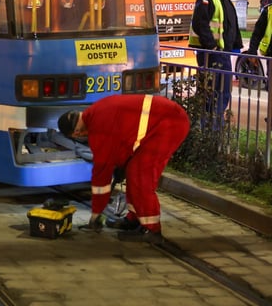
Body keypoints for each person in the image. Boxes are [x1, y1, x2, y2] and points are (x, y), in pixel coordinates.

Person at [57, 94, 190, 243]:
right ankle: (135, 218)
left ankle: (152, 230)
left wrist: (96, 213)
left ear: (76, 133)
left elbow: (102, 176)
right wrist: (122, 165)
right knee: (133, 171)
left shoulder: (97, 130)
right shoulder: (95, 111)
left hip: (169, 124)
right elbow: (124, 139)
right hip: (166, 119)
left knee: (141, 176)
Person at [188, 0, 243, 119]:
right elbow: (201, 23)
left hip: (221, 52)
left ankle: (213, 127)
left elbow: (230, 25)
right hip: (212, 54)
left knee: (222, 91)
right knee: (214, 92)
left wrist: (236, 46)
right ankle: (210, 128)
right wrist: (211, 45)